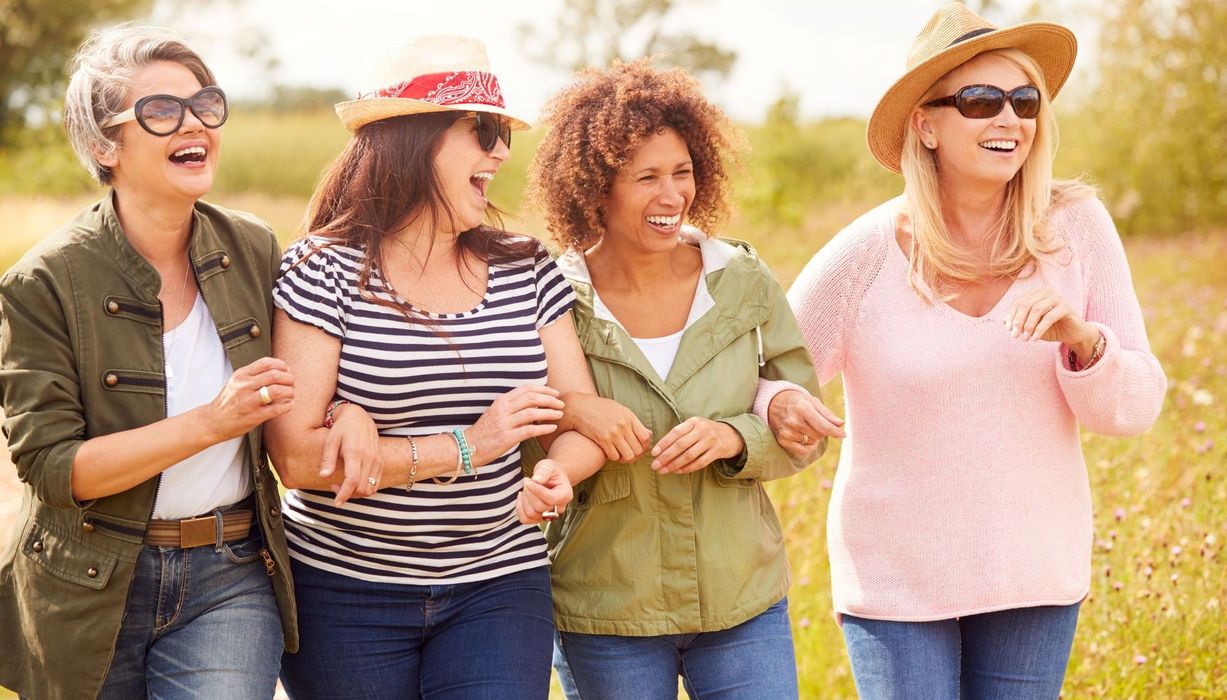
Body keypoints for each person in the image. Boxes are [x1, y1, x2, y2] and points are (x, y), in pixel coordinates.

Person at [767, 4, 1168, 698]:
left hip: (1032, 573)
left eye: (1023, 101)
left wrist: (1081, 342)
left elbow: (1132, 410)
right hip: (894, 583)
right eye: (980, 101)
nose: (1008, 119)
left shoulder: (1075, 229)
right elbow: (766, 371)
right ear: (924, 124)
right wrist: (781, 403)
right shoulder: (864, 253)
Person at [264, 35, 606, 700]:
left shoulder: (526, 266)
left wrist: (555, 470)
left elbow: (578, 416)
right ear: (411, 139)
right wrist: (468, 447)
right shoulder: (320, 269)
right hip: (343, 592)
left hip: (498, 582)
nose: (501, 151)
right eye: (481, 130)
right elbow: (298, 461)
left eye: (502, 131)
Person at [0, 25, 298, 698]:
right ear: (106, 144)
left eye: (205, 104)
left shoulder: (255, 248)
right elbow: (51, 469)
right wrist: (211, 423)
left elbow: (311, 393)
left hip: (231, 573)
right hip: (86, 585)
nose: (193, 124)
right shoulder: (43, 281)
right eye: (162, 111)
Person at [524, 60, 823, 700]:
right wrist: (570, 437)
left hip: (741, 598)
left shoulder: (741, 280)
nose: (672, 195)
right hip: (608, 607)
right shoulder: (552, 298)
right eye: (648, 177)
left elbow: (803, 426)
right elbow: (534, 437)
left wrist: (738, 438)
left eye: (683, 172)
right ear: (595, 188)